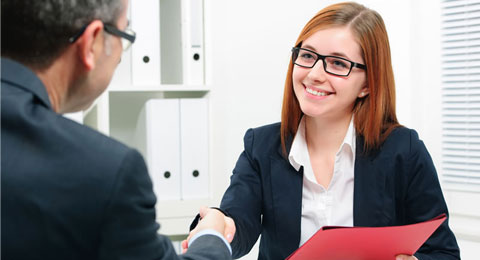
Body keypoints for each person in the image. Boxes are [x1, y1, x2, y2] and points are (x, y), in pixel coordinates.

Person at [202, 2, 460, 260]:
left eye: (337, 63)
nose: (314, 74)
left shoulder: (404, 150)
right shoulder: (261, 145)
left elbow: (442, 252)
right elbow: (238, 224)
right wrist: (220, 226)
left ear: (367, 85)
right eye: (307, 56)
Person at [1, 0, 234, 259]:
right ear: (93, 42)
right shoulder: (105, 171)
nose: (122, 55)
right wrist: (210, 237)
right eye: (125, 36)